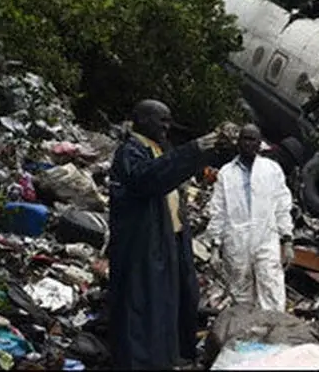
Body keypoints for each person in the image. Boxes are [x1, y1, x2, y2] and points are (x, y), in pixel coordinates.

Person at [107, 100, 229, 370]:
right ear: (140, 119)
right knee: (145, 304)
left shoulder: (157, 149)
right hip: (144, 243)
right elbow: (149, 179)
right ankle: (144, 361)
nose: (166, 126)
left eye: (168, 120)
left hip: (170, 239)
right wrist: (194, 150)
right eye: (160, 120)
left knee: (174, 299)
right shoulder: (130, 152)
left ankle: (171, 356)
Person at [204, 124, 295, 312]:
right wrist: (214, 246)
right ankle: (247, 336)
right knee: (240, 294)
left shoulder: (271, 170)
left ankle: (273, 336)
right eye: (244, 138)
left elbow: (282, 206)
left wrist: (287, 241)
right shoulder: (226, 173)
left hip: (265, 237)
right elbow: (218, 210)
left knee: (271, 289)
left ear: (259, 143)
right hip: (236, 240)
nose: (248, 143)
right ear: (238, 142)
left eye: (252, 139)